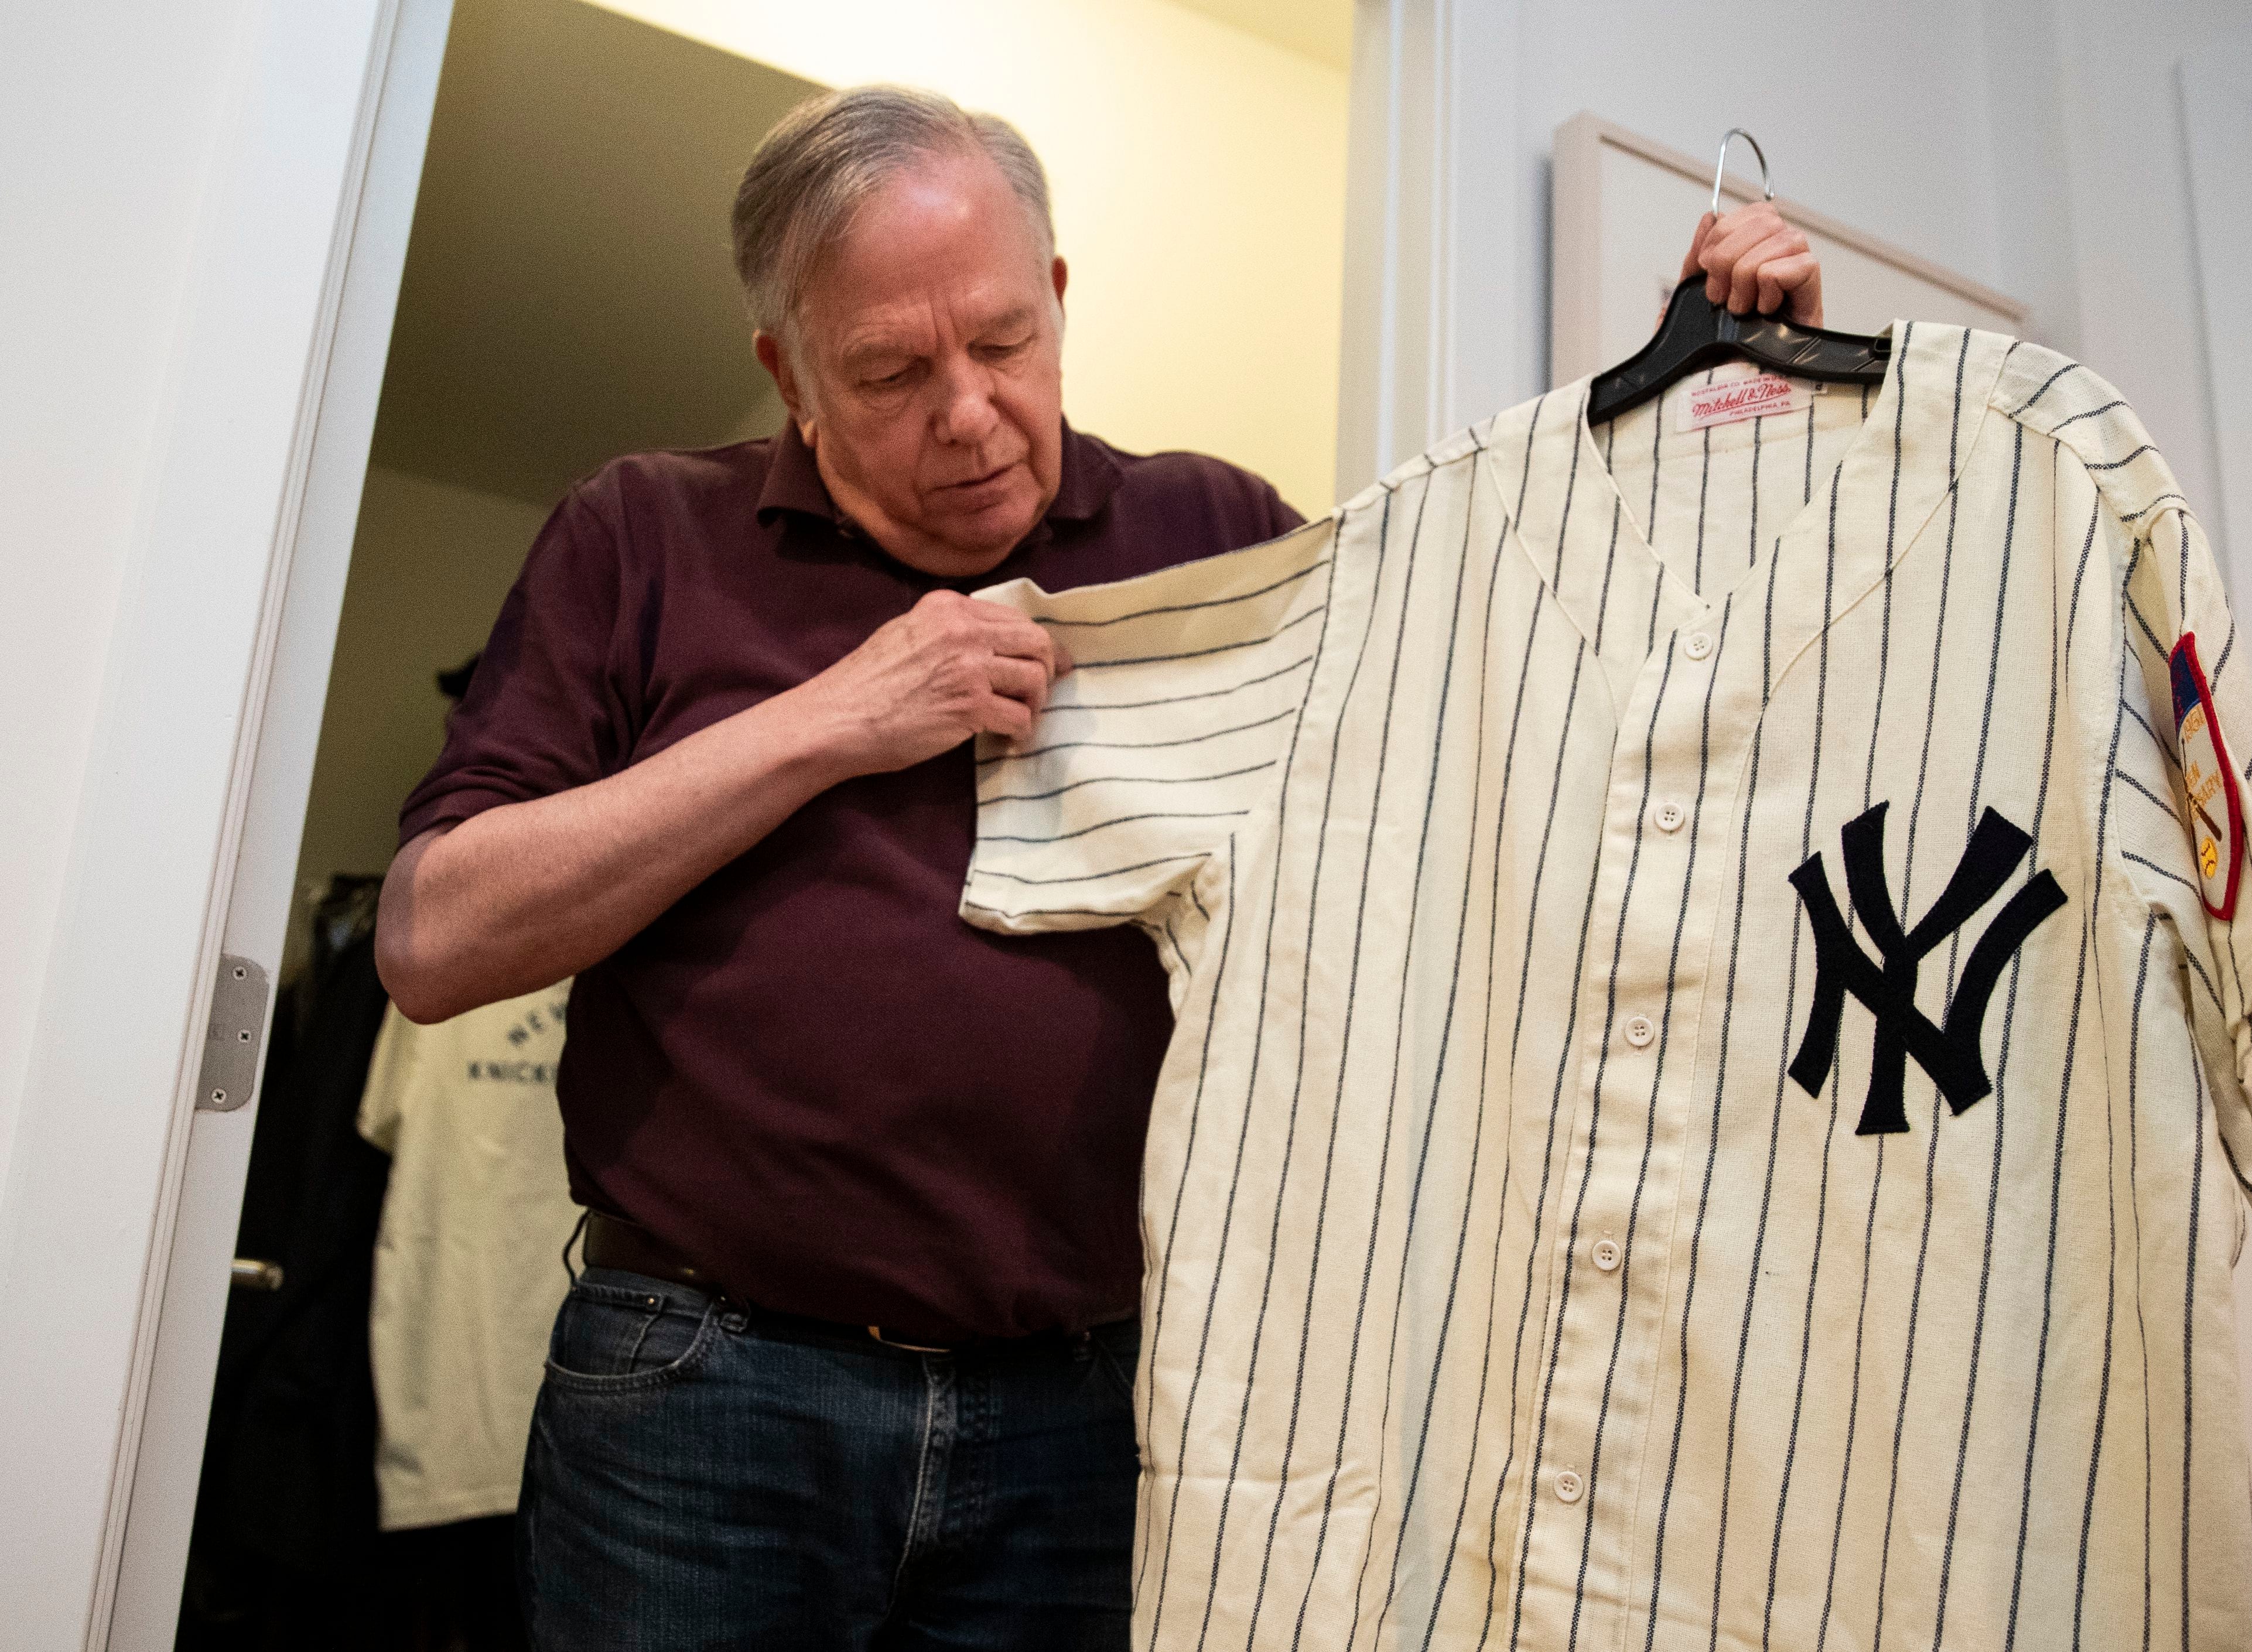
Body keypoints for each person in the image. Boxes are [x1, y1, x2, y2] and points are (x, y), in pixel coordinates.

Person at [374, 83, 1826, 1651]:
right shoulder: (644, 535)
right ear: (787, 375)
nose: (969, 413)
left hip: (1092, 1405)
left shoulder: (1212, 531)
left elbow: (1521, 734)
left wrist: (1719, 414)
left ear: (1057, 297)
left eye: (1003, 343)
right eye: (887, 371)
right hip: (708, 1387)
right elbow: (435, 940)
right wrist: (838, 718)